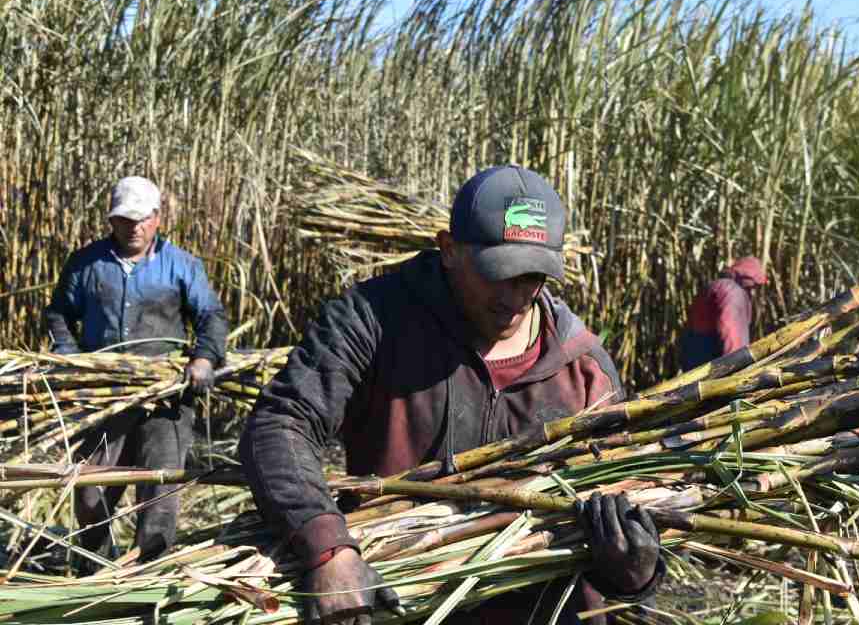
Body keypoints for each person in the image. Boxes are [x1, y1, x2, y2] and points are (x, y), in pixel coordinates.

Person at [240, 165, 664, 625]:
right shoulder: (374, 321)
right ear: (448, 250)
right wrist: (328, 550)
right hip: (407, 598)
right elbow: (281, 423)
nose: (516, 296)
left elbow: (624, 517)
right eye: (497, 273)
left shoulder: (582, 368)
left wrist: (637, 572)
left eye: (533, 276)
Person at [45, 176, 229, 567]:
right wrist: (72, 361)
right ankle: (91, 569)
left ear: (157, 218)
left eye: (142, 219)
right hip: (104, 397)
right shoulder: (87, 264)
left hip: (165, 398)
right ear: (111, 221)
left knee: (159, 490)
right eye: (124, 220)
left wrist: (204, 358)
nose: (134, 228)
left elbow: (211, 315)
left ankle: (151, 572)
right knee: (91, 492)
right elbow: (59, 314)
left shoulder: (181, 265)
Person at [679, 256, 768, 372]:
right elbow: (729, 329)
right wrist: (736, 366)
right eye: (755, 285)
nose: (755, 291)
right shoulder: (732, 291)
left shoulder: (715, 285)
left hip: (694, 356)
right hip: (710, 358)